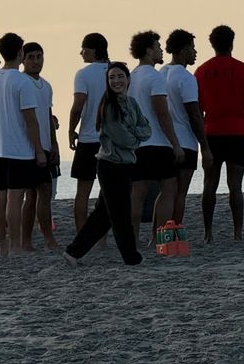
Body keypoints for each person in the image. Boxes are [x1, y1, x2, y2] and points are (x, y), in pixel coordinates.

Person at [64, 63, 151, 266]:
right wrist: (135, 135)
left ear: (128, 79)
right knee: (120, 214)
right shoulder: (109, 107)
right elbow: (125, 139)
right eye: (112, 77)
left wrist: (134, 134)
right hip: (110, 166)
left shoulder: (131, 103)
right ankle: (131, 257)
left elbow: (146, 128)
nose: (116, 81)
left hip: (126, 165)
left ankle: (73, 252)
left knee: (103, 215)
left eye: (120, 76)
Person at [195, 24, 244, 242]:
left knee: (209, 184)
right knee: (236, 186)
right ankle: (238, 233)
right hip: (237, 133)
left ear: (212, 44)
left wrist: (200, 140)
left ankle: (208, 233)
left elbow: (198, 108)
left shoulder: (202, 71)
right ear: (232, 42)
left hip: (211, 132)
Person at [0, 32, 45, 256]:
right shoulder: (22, 82)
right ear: (20, 52)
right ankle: (17, 245)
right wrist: (39, 150)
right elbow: (31, 122)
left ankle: (3, 245)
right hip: (18, 149)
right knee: (15, 198)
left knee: (0, 196)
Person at [127, 30, 184, 245]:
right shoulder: (155, 77)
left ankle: (133, 238)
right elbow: (162, 113)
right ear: (149, 50)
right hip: (157, 142)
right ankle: (162, 236)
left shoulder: (132, 76)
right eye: (158, 47)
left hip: (137, 143)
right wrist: (175, 143)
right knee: (169, 188)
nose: (161, 51)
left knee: (138, 192)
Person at [162, 29, 211, 225]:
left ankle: (158, 233)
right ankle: (174, 230)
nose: (195, 52)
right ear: (183, 50)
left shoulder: (161, 73)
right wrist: (205, 147)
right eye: (192, 48)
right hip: (185, 141)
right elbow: (194, 115)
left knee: (165, 192)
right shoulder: (186, 78)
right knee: (180, 193)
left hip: (165, 141)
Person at [67, 33, 111, 235]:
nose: (80, 52)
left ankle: (81, 233)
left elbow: (78, 106)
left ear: (92, 50)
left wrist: (70, 129)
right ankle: (100, 235)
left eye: (83, 48)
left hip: (89, 137)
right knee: (108, 191)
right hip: (111, 139)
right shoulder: (115, 71)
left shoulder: (83, 74)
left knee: (83, 192)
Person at [20, 42, 61, 251]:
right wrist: (37, 149)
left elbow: (47, 115)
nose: (36, 61)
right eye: (31, 57)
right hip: (28, 147)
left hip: (45, 144)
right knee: (35, 194)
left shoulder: (46, 85)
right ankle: (39, 239)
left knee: (42, 193)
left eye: (39, 57)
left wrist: (54, 143)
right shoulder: (22, 83)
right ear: (23, 59)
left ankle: (40, 238)